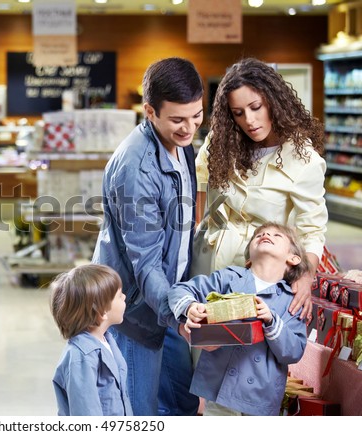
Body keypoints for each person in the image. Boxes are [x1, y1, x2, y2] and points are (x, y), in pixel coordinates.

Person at [92, 57, 203, 416]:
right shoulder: (136, 169)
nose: (189, 129)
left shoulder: (181, 143)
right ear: (150, 112)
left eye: (197, 115)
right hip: (134, 312)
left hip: (168, 302)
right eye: (177, 119)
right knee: (138, 410)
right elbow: (146, 262)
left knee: (182, 403)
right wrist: (181, 309)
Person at [194, 57, 328, 321]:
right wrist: (198, 226)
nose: (249, 121)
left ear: (273, 102)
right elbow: (199, 181)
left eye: (256, 107)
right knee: (201, 347)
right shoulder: (222, 140)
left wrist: (305, 275)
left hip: (262, 271)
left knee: (247, 350)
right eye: (238, 113)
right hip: (209, 262)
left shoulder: (303, 159)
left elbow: (312, 230)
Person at [166, 222, 310, 415]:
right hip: (220, 395)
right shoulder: (228, 278)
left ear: (293, 258)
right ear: (249, 257)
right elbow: (179, 290)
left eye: (277, 236)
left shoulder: (292, 300)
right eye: (259, 235)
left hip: (260, 402)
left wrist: (271, 321)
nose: (266, 234)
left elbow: (293, 352)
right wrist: (190, 307)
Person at [50, 264, 132, 416]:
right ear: (101, 311)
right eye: (119, 295)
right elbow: (85, 413)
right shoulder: (82, 358)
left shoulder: (108, 341)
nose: (125, 297)